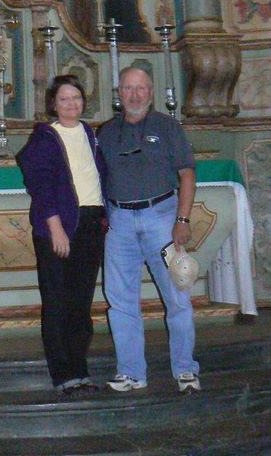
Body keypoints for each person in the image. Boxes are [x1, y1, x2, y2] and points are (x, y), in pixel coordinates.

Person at [100, 66, 201, 394]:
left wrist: (182, 220)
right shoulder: (105, 133)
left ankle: (185, 369)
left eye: (140, 88)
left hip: (161, 217)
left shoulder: (168, 127)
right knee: (120, 301)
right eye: (128, 88)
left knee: (178, 297)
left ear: (151, 92)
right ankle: (131, 372)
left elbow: (186, 173)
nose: (134, 94)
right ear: (119, 93)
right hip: (120, 222)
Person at [17, 74, 107, 396]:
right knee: (57, 302)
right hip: (58, 227)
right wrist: (56, 228)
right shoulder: (46, 138)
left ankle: (80, 368)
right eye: (64, 99)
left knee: (80, 303)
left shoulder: (91, 134)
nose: (72, 104)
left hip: (90, 224)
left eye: (77, 98)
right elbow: (39, 186)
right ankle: (63, 374)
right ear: (53, 105)